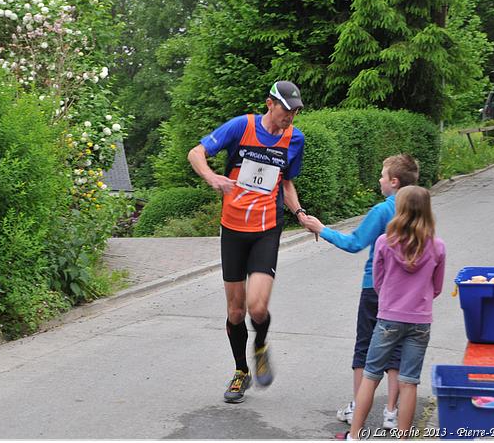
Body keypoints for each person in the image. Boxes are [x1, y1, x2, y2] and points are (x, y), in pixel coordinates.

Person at [188, 80, 308, 403]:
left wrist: (300, 213)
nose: (291, 117)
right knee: (236, 311)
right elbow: (196, 152)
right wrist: (212, 177)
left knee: (257, 307)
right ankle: (241, 371)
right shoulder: (242, 127)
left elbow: (286, 184)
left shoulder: (295, 139)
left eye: (296, 111)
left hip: (267, 228)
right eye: (287, 109)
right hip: (233, 229)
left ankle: (261, 346)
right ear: (270, 104)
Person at [303, 154, 419, 430]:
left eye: (382, 175)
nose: (379, 179)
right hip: (406, 293)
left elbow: (355, 243)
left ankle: (358, 405)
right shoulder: (418, 211)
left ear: (393, 181)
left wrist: (322, 229)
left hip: (375, 288)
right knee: (397, 350)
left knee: (365, 348)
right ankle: (392, 411)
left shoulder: (382, 211)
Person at [345, 185, 445, 440]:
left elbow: (377, 281)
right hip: (420, 322)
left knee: (371, 375)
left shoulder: (384, 242)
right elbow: (437, 287)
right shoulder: (437, 246)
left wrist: (390, 299)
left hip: (388, 318)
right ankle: (403, 437)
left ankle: (355, 435)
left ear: (399, 210)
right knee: (409, 381)